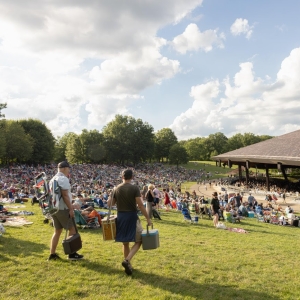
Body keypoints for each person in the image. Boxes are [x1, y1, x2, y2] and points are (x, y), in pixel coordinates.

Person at [108, 169, 152, 276]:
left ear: (122, 177)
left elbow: (110, 204)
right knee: (139, 240)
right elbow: (140, 205)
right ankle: (127, 261)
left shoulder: (116, 188)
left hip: (121, 217)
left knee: (125, 242)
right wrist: (148, 218)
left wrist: (112, 193)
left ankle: (128, 264)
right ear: (131, 177)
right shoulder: (134, 188)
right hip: (132, 216)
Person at [48, 161, 84, 261]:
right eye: (68, 168)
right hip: (63, 208)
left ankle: (52, 254)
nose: (69, 171)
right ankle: (72, 254)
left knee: (57, 231)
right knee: (72, 230)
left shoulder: (53, 179)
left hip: (54, 208)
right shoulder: (63, 179)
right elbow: (64, 195)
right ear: (64, 168)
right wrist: (71, 208)